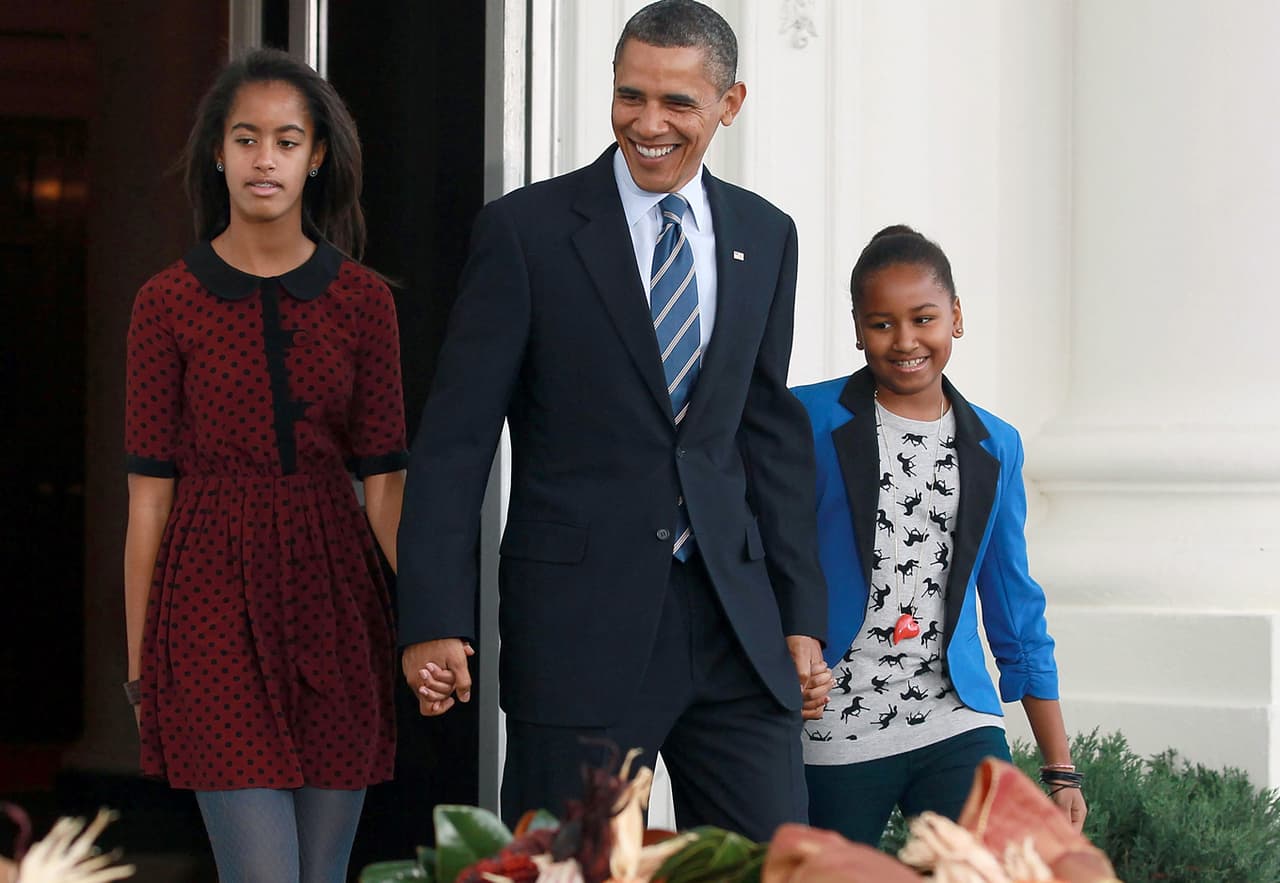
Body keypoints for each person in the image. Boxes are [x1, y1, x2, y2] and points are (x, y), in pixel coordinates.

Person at [396, 0, 830, 840]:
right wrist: (433, 616)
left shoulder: (765, 234)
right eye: (631, 96)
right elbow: (456, 441)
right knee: (569, 867)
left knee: (776, 862)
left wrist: (801, 614)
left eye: (678, 104)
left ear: (729, 105)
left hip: (736, 628)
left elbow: (767, 435)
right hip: (578, 627)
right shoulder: (525, 232)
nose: (649, 123)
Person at [122, 48, 406, 883]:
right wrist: (142, 661)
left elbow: (386, 483)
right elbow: (146, 502)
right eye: (246, 139)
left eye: (287, 141)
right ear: (219, 151)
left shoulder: (364, 302)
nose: (265, 159)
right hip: (207, 597)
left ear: (317, 156)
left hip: (335, 600)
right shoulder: (164, 302)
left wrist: (429, 622)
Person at [792, 225, 1087, 845]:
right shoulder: (805, 421)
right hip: (833, 726)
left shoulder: (995, 445)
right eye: (881, 323)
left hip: (954, 716)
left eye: (923, 318)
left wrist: (1060, 768)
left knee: (996, 863)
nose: (905, 341)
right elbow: (760, 555)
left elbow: (1014, 603)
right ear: (856, 328)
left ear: (955, 316)